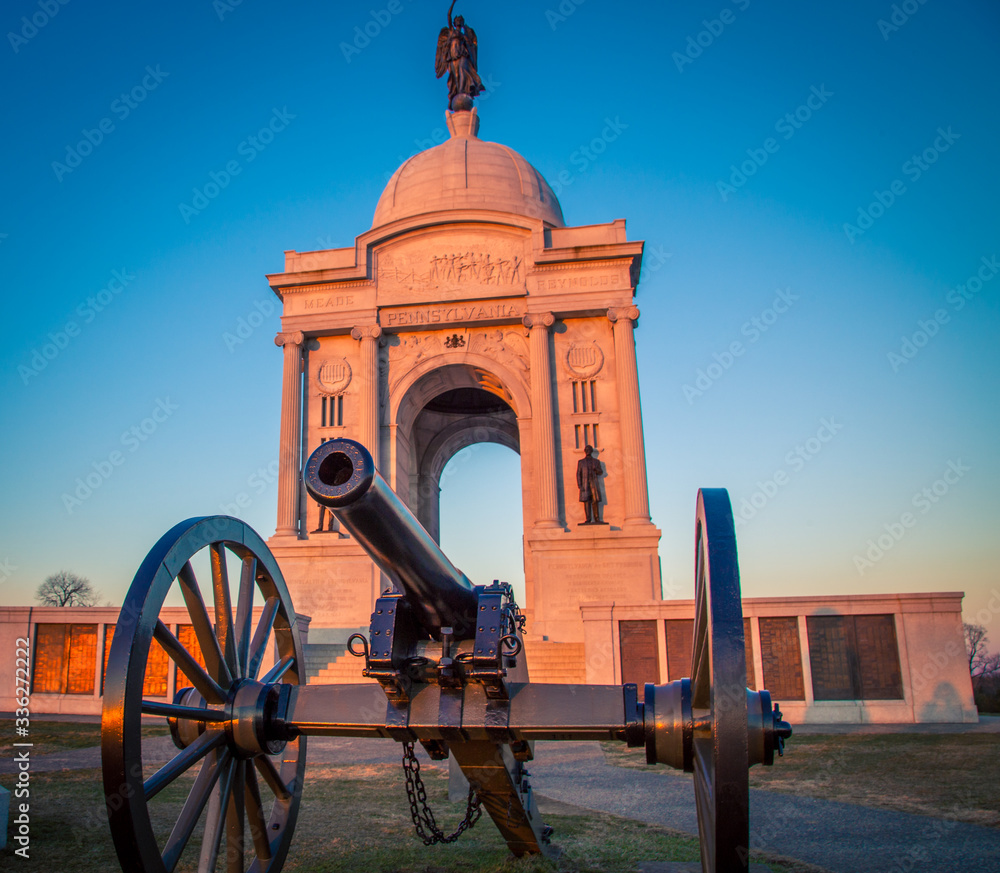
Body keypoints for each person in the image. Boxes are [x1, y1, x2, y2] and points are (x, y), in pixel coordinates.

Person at [435, 3, 483, 109]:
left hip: (462, 54)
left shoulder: (464, 35)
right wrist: (453, 2)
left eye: (460, 20)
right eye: (457, 20)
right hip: (452, 55)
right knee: (455, 76)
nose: (459, 21)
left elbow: (471, 47)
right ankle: (457, 94)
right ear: (454, 22)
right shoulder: (451, 31)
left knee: (463, 71)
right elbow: (448, 15)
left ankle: (463, 91)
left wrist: (468, 40)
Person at [576, 445, 603, 524]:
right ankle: (588, 519)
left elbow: (600, 472)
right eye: (587, 449)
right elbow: (578, 474)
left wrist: (596, 469)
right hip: (585, 484)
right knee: (586, 501)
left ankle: (597, 518)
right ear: (585, 451)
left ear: (591, 451)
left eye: (589, 449)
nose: (588, 450)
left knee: (595, 500)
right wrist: (580, 485)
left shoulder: (596, 461)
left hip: (593, 483)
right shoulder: (581, 462)